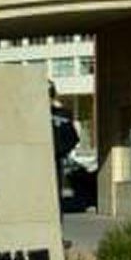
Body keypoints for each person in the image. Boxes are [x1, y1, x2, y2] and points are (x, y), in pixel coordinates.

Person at [49, 81, 80, 212]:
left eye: (49, 94)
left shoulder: (63, 114)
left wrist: (59, 151)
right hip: (35, 162)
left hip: (56, 160)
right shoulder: (32, 115)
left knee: (55, 196)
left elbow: (73, 138)